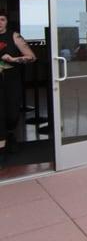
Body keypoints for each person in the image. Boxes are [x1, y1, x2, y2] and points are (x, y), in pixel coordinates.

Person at [0, 10, 36, 166]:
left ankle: (10, 135)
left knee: (12, 113)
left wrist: (13, 59)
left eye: (2, 19)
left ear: (7, 21)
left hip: (11, 81)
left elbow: (32, 57)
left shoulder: (14, 36)